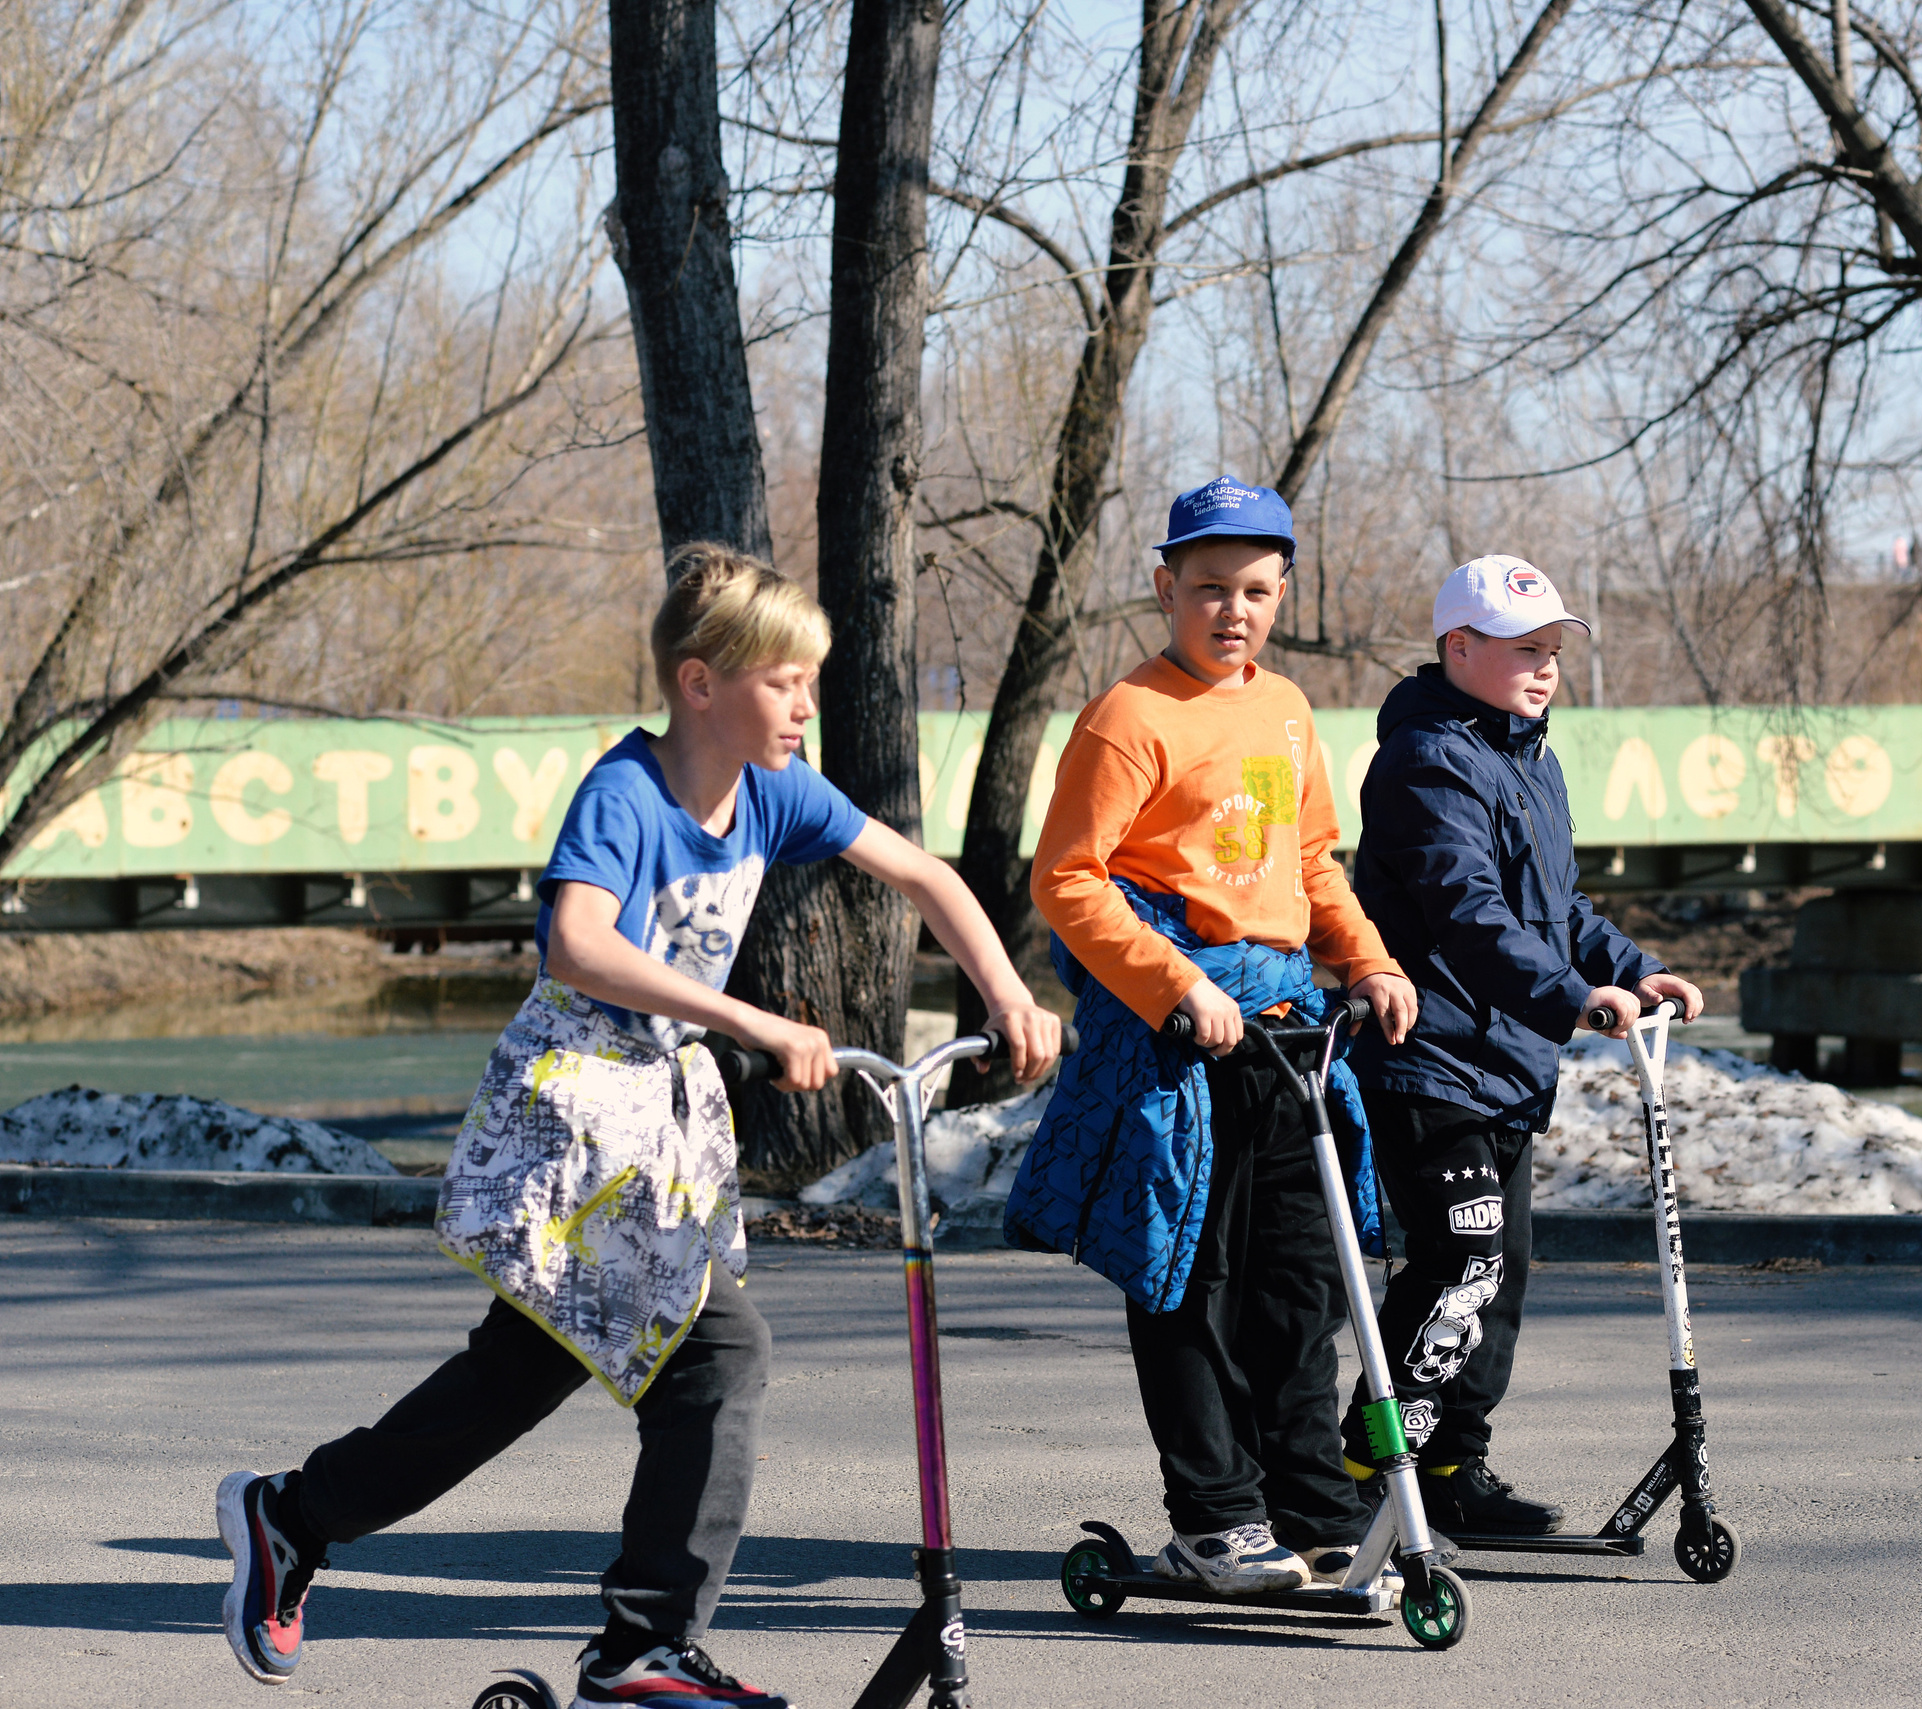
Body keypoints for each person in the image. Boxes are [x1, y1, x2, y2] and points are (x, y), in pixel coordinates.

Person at [215, 546, 1062, 1709]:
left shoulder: (777, 787)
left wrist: (1007, 991)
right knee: (714, 1353)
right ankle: (640, 1647)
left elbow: (922, 873)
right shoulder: (629, 791)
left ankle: (295, 1513)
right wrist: (747, 1015)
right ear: (700, 682)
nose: (806, 706)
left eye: (812, 682)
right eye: (784, 682)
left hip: (657, 1109)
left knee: (533, 1363)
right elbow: (579, 942)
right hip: (576, 1099)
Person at [1004, 477, 1420, 1595]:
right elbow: (1067, 877)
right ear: (1164, 588)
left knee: (1297, 1278)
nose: (1229, 610)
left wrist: (1368, 958)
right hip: (1178, 1038)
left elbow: (1312, 861)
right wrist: (1172, 981)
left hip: (1288, 1028)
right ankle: (1214, 1516)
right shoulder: (1128, 716)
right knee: (1186, 1275)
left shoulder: (1284, 709)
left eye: (1251, 590)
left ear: (1280, 591)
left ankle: (1311, 1504)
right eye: (1205, 589)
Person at [1339, 554, 1702, 1535]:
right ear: (1458, 648)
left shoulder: (1530, 758)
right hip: (1430, 1057)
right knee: (1462, 1255)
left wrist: (1633, 965)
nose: (1545, 669)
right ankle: (1373, 1458)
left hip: (1505, 1063)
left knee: (1501, 1272)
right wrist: (1570, 996)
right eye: (1523, 651)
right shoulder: (1425, 761)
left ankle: (1456, 1462)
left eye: (1551, 651)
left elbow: (1556, 907)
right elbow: (1469, 914)